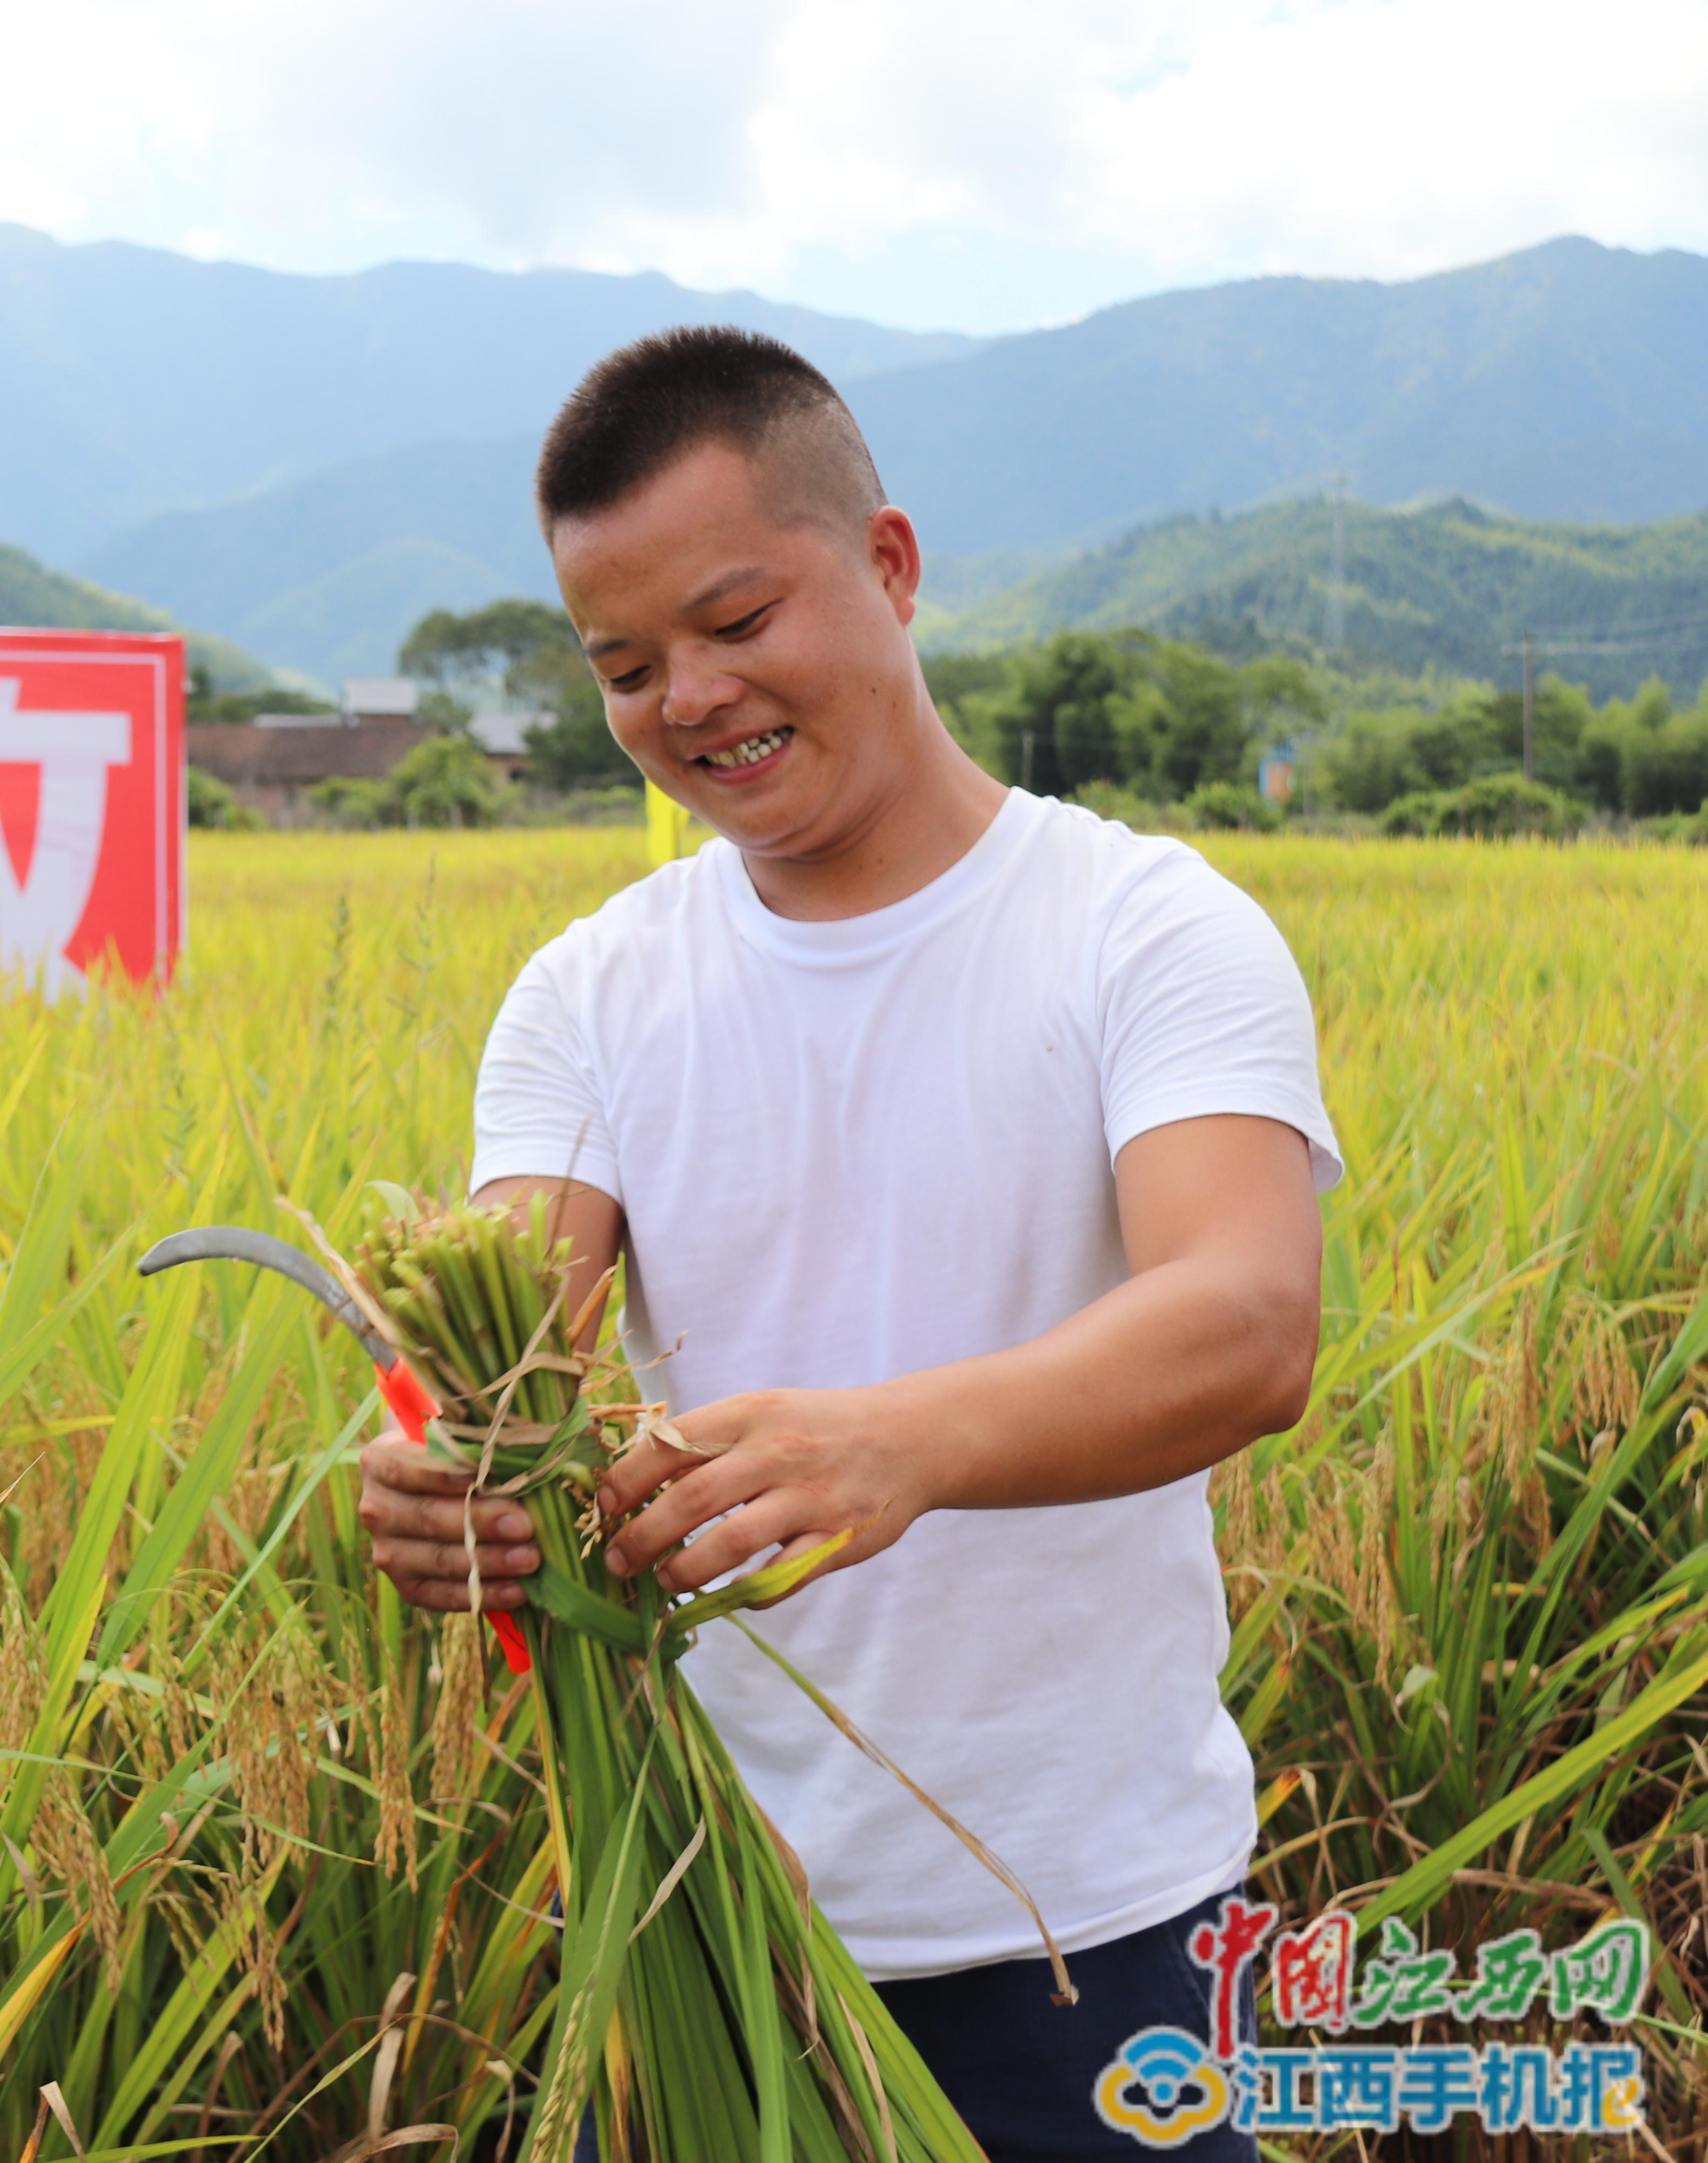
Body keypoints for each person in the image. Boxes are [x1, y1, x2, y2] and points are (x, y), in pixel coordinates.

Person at [354, 327, 1335, 2157]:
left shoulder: (1145, 931)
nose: (692, 699)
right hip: (707, 1924)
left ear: (888, 566)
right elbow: (500, 1360)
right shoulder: (591, 996)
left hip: (1092, 1938)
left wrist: (892, 1446)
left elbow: (1246, 1318)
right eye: (627, 665)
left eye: (738, 623)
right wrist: (440, 1475)